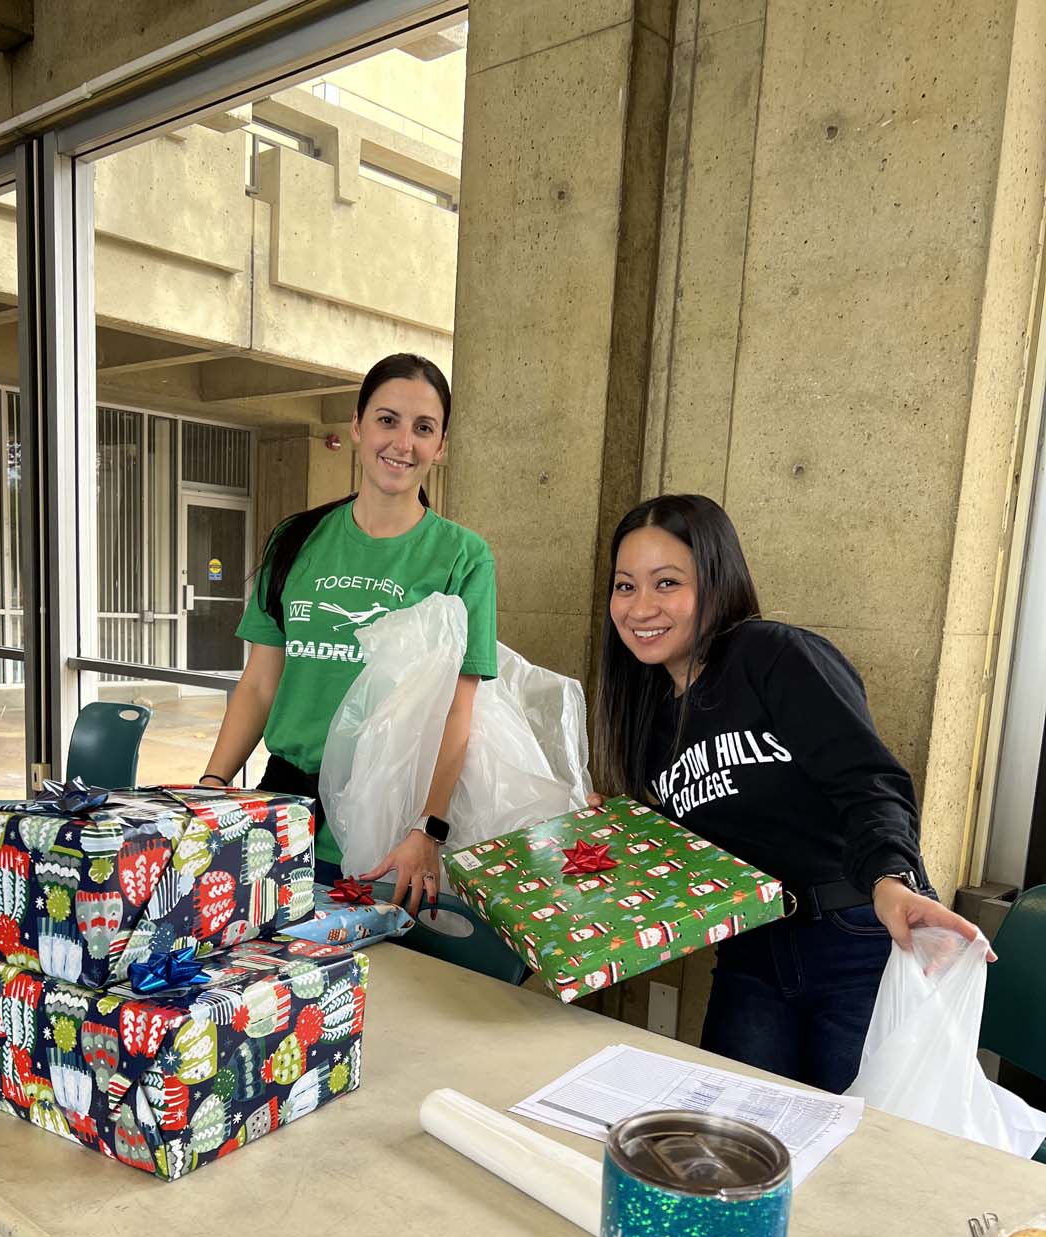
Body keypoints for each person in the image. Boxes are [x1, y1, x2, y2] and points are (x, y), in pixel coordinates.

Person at [592, 492, 988, 1094]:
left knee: (862, 1138)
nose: (641, 607)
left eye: (667, 582)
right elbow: (700, 850)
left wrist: (892, 878)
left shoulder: (775, 655)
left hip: (856, 936)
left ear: (716, 581)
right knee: (736, 1127)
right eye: (625, 586)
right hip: (753, 948)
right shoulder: (645, 717)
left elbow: (869, 782)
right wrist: (624, 833)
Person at [198, 352, 497, 915]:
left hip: (385, 822)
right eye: (387, 420)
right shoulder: (295, 539)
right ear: (357, 426)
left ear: (441, 445)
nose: (402, 443)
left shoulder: (463, 557)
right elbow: (260, 683)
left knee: (367, 968)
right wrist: (213, 782)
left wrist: (428, 827)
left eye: (423, 428)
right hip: (282, 809)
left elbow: (459, 709)